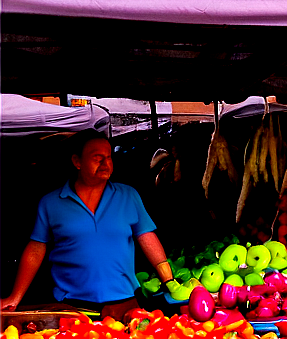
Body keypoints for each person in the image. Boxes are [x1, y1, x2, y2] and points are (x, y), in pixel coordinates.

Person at [0, 130, 175, 320]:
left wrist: (170, 282)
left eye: (108, 157)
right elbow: (36, 248)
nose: (106, 164)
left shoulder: (128, 196)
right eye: (97, 158)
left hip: (125, 306)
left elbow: (147, 237)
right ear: (77, 162)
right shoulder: (51, 203)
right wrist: (15, 297)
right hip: (72, 308)